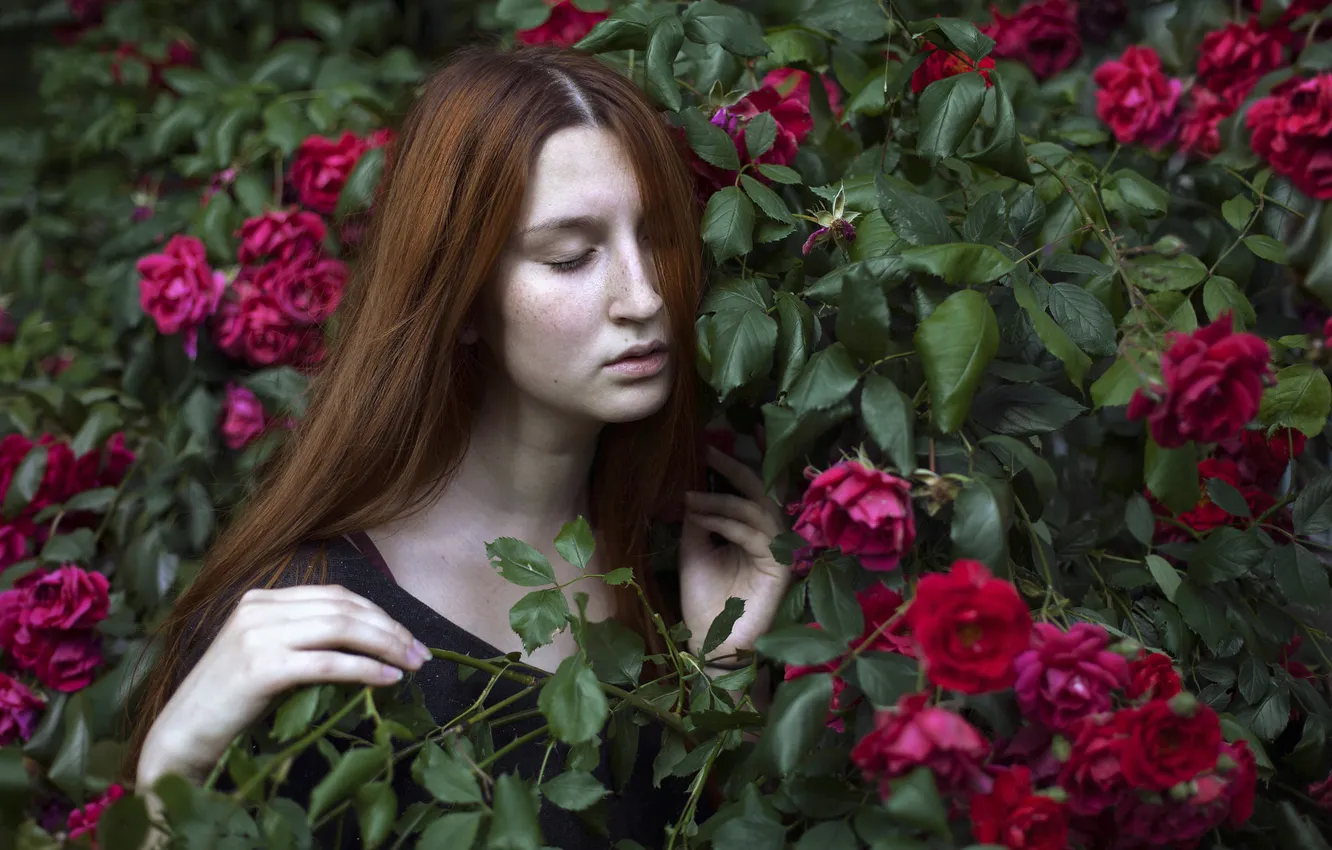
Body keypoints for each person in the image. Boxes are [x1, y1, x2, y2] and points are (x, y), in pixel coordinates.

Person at [127, 44, 792, 847]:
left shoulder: (664, 576)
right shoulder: (312, 616)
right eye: (572, 256)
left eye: (655, 237)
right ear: (464, 299)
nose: (644, 296)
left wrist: (722, 671)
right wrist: (173, 771)